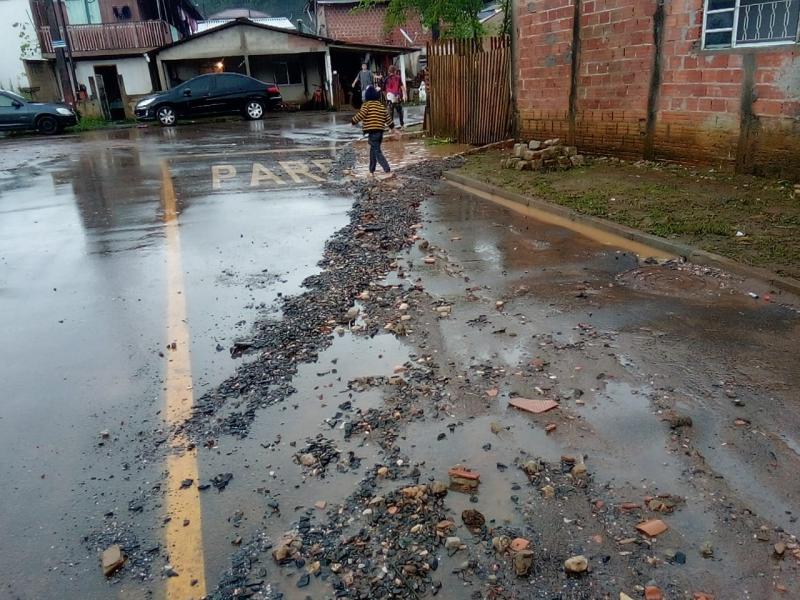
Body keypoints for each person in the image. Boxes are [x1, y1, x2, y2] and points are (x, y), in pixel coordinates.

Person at [351, 85, 394, 177]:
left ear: (367, 96)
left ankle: (387, 169)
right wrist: (393, 128)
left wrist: (353, 121)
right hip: (380, 132)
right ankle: (371, 170)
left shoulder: (366, 105)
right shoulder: (381, 105)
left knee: (377, 151)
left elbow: (361, 115)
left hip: (372, 132)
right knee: (373, 150)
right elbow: (387, 118)